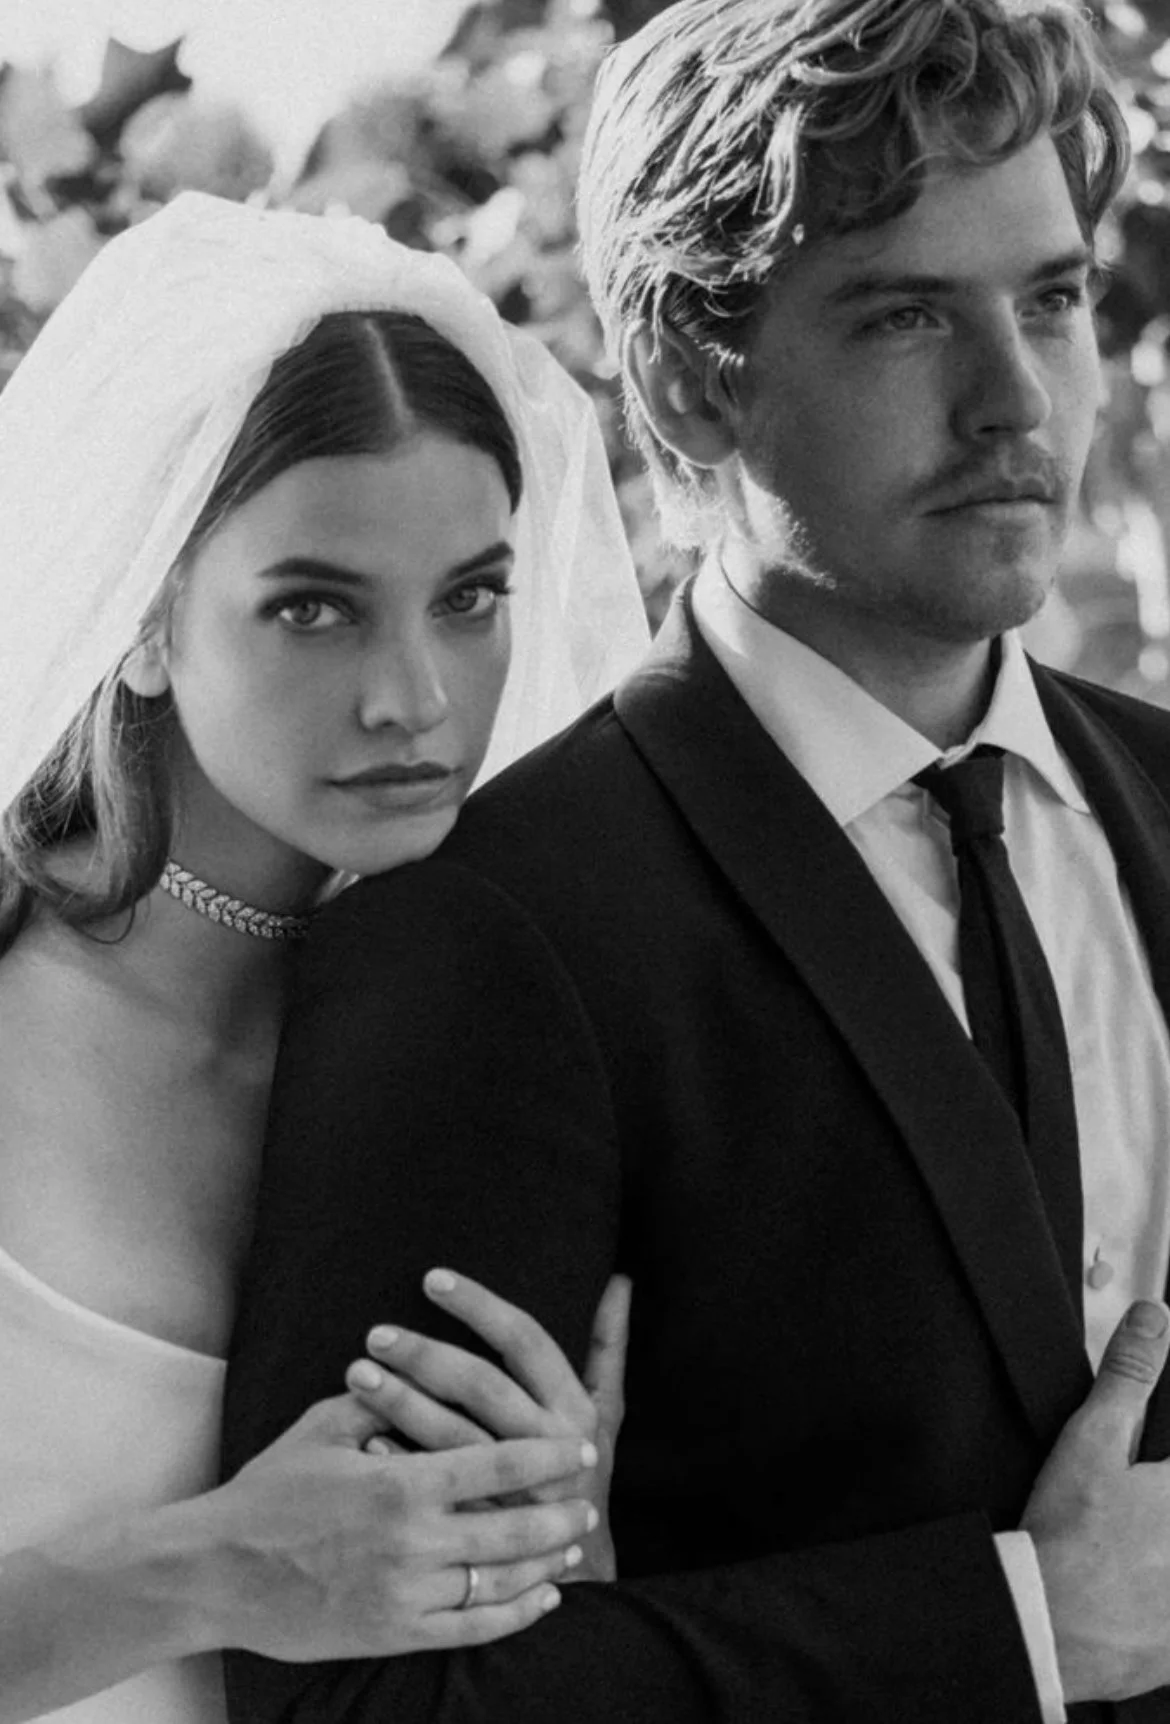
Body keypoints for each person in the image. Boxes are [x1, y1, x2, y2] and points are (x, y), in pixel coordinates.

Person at [220, 0, 1170, 1719]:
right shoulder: (490, 930)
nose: (1011, 398)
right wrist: (1020, 1625)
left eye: (1050, 299)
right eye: (901, 319)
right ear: (685, 375)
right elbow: (355, 1704)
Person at [0, 191, 648, 1723]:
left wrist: (551, 1525)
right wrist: (212, 1570)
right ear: (146, 615)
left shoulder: (512, 1055)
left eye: (471, 599)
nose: (414, 698)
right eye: (312, 608)